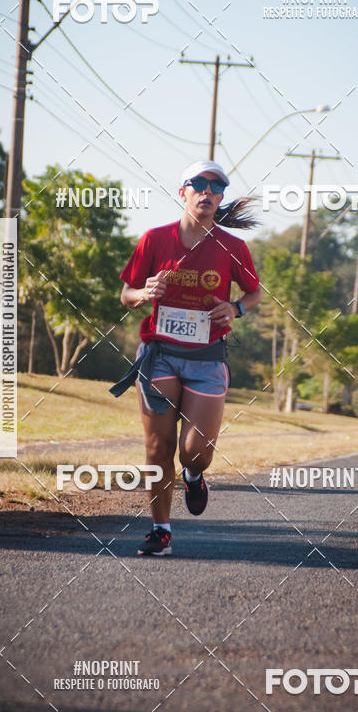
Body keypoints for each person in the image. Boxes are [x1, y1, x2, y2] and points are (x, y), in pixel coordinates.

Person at [110, 161, 262, 556]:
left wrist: (235, 309)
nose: (207, 192)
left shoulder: (234, 247)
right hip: (159, 355)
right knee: (158, 447)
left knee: (195, 450)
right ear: (183, 192)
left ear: (221, 198)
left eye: (216, 187)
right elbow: (126, 294)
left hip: (207, 359)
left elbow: (253, 293)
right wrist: (143, 293)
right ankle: (161, 530)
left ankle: (194, 476)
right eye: (199, 185)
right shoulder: (155, 239)